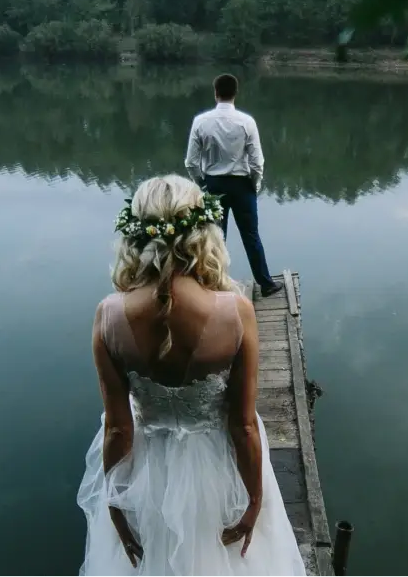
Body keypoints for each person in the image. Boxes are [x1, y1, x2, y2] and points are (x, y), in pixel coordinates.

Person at [77, 175, 306, 577]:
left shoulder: (108, 315)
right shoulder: (235, 312)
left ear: (135, 234)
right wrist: (255, 500)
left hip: (147, 476)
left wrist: (114, 505)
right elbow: (243, 426)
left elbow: (118, 430)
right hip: (217, 471)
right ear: (204, 232)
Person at [184, 73, 281, 297]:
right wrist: (254, 185)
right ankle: (266, 284)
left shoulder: (201, 122)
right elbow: (257, 162)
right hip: (242, 185)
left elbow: (190, 162)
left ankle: (214, 286)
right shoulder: (247, 122)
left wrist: (202, 184)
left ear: (215, 92)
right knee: (251, 236)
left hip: (213, 185)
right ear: (235, 93)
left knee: (216, 238)